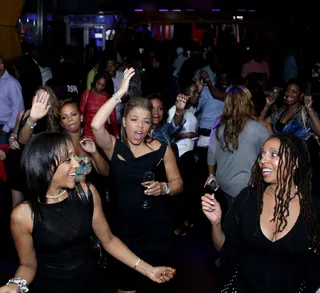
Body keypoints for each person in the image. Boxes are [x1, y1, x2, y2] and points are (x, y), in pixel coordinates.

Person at [0, 132, 176, 293]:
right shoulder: (23, 215)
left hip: (93, 284)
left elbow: (108, 239)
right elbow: (28, 265)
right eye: (68, 159)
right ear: (45, 165)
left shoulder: (86, 193)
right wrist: (15, 285)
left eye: (74, 157)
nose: (77, 164)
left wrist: (149, 270)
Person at [91, 68, 183, 292]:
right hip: (123, 232)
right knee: (125, 288)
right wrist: (120, 92)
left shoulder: (162, 149)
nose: (140, 127)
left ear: (152, 125)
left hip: (155, 231)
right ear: (124, 122)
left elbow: (178, 184)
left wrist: (164, 187)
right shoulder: (115, 147)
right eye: (134, 120)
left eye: (145, 121)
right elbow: (95, 125)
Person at [202, 133, 320, 293]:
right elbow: (222, 246)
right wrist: (216, 223)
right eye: (262, 154)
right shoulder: (248, 198)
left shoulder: (313, 208)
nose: (263, 160)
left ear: (295, 163)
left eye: (274, 154)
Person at [204, 85, 270, 203]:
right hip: (246, 187)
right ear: (247, 103)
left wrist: (211, 175)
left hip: (223, 184)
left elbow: (211, 151)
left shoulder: (218, 126)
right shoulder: (258, 128)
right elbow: (274, 152)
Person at [58, 99, 109, 182]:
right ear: (61, 124)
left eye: (73, 114)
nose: (69, 119)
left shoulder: (87, 143)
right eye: (64, 117)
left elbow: (105, 172)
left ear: (81, 117)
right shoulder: (60, 145)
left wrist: (94, 152)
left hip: (86, 192)